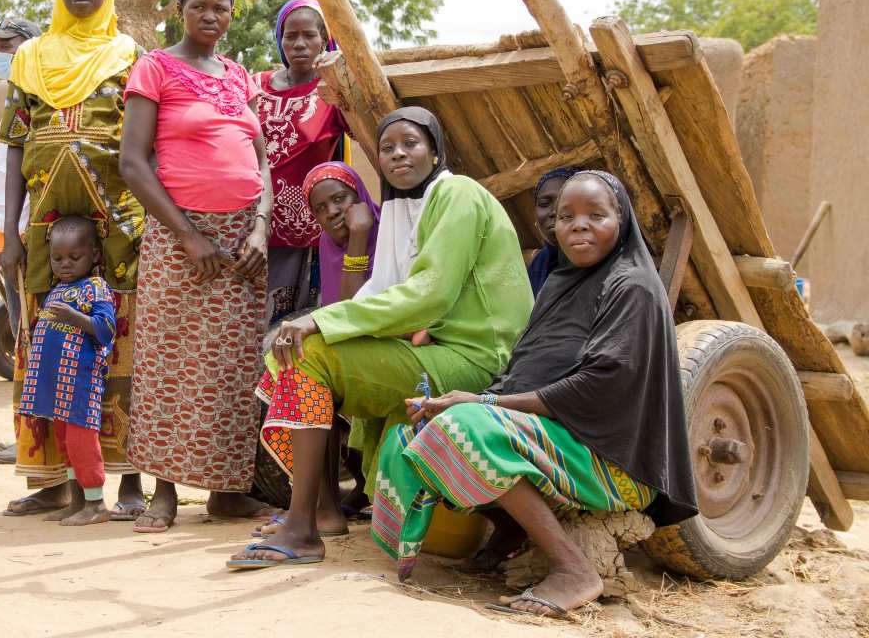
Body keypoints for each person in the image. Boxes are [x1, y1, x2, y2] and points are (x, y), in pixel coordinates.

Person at [371, 170, 697, 618]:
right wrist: (458, 400)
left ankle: (574, 569)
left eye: (594, 215)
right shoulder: (560, 284)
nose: (578, 225)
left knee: (466, 430)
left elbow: (597, 388)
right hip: (556, 439)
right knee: (414, 436)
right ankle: (509, 533)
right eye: (566, 216)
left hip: (612, 459)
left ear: (621, 221)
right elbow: (522, 370)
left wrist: (483, 405)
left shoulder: (633, 286)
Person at [228, 106, 533, 568]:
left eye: (410, 143)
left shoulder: (458, 194)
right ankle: (311, 513)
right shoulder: (401, 211)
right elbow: (382, 294)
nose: (397, 155)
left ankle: (304, 523)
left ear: (435, 150)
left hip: (477, 357)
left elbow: (429, 294)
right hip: (432, 346)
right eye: (387, 148)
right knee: (295, 352)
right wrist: (323, 322)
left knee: (309, 352)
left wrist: (321, 321)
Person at [119, 0, 278, 533]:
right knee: (169, 362)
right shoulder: (155, 67)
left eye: (222, 7)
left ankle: (226, 491)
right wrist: (188, 235)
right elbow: (133, 163)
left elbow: (261, 160)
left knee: (233, 369)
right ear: (180, 9)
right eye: (201, 6)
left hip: (242, 239)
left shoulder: (239, 76)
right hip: (178, 234)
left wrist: (260, 227)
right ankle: (162, 491)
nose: (212, 16)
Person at [0, 0, 146, 520]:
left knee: (120, 348)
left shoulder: (128, 54)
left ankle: (128, 479)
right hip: (46, 231)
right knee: (43, 345)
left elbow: (144, 140)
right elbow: (13, 144)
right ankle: (52, 477)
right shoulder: (29, 58)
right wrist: (10, 231)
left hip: (117, 223)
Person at [15, 216, 117, 526]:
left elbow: (106, 329)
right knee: (65, 443)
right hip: (57, 384)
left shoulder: (96, 289)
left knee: (82, 443)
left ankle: (96, 503)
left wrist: (75, 317)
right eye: (57, 259)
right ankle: (76, 502)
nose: (65, 265)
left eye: (75, 258)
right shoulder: (57, 289)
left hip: (80, 381)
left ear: (95, 255)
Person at [0, 15, 43, 467]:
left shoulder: (41, 96)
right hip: (8, 240)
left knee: (33, 341)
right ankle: (25, 434)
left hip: (30, 239)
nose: (1, 53)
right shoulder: (11, 102)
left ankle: (34, 439)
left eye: (9, 44)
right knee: (23, 339)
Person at [257, 0, 349, 323]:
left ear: (323, 40)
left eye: (309, 35)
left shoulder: (332, 92)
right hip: (256, 232)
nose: (299, 43)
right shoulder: (255, 85)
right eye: (290, 35)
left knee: (298, 331)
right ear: (280, 40)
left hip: (309, 237)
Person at [303, 161, 379, 306]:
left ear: (359, 195)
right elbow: (344, 314)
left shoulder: (388, 232)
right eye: (320, 208)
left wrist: (359, 235)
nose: (332, 212)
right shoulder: (328, 241)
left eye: (339, 198)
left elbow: (354, 311)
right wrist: (358, 236)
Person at [526, 167, 579, 296]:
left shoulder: (604, 263)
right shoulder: (539, 264)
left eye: (564, 201)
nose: (555, 211)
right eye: (544, 203)